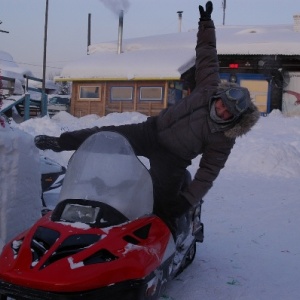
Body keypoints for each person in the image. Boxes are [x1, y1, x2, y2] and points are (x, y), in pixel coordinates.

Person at [35, 1, 260, 234]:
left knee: (164, 206)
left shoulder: (225, 137)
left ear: (235, 117)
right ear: (220, 96)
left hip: (173, 159)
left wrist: (187, 201)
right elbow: (207, 54)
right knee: (103, 136)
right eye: (223, 105)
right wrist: (206, 25)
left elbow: (207, 174)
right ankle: (59, 142)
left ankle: (168, 245)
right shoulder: (208, 87)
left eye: (228, 113)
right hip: (150, 132)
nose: (222, 112)